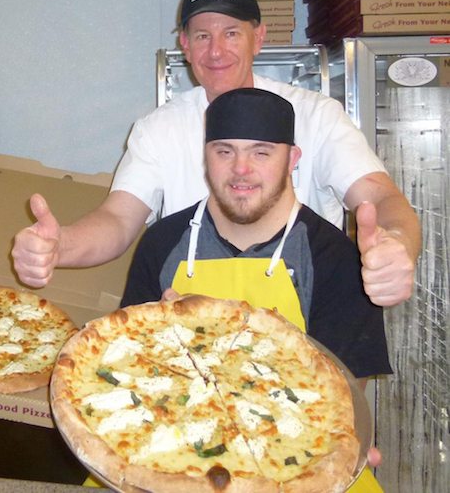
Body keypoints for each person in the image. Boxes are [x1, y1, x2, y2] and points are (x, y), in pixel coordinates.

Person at [12, 0, 419, 308]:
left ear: (258, 38)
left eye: (231, 33)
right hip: (190, 329)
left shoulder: (316, 115)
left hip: (301, 330)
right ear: (185, 47)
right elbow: (118, 221)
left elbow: (380, 197)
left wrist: (397, 245)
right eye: (202, 36)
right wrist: (59, 245)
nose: (217, 50)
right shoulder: (159, 129)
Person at [120, 87, 389, 492]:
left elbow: (341, 402)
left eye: (261, 152)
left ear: (292, 160)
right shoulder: (162, 244)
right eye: (224, 151)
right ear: (205, 157)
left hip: (292, 456)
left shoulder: (334, 257)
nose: (241, 169)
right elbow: (126, 372)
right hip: (168, 454)